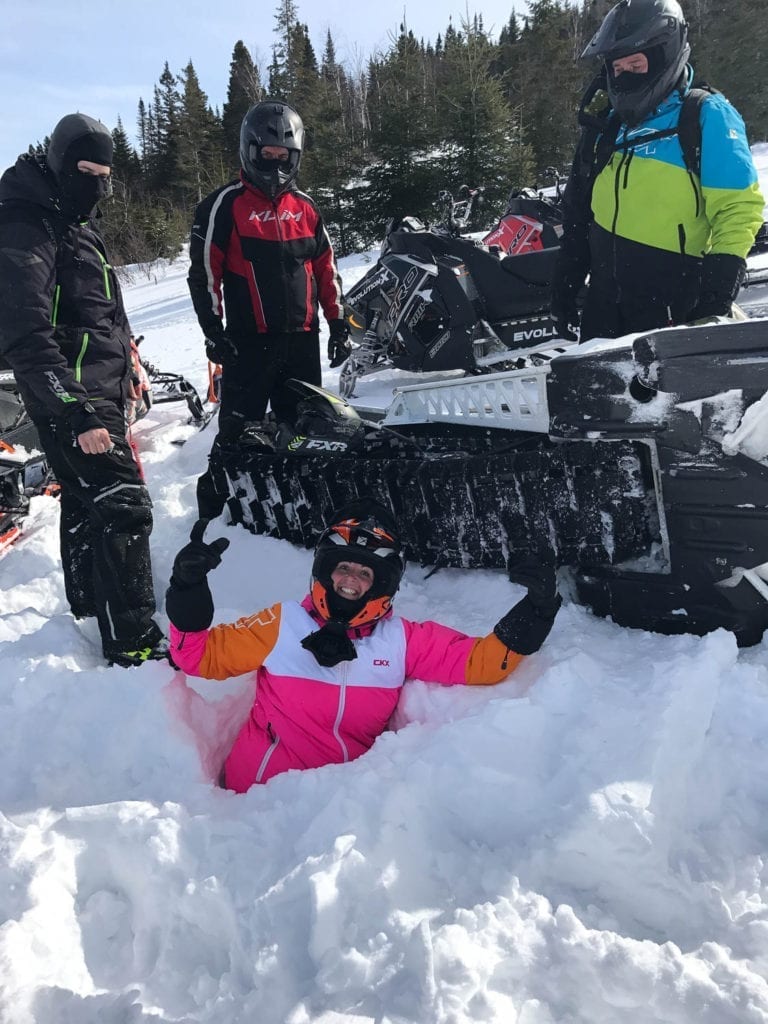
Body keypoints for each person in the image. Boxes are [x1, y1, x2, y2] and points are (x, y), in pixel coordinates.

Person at [165, 499, 562, 793]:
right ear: (325, 570)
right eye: (343, 567)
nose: (350, 580)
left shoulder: (403, 640)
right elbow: (198, 657)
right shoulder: (281, 624)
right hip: (254, 801)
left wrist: (537, 609)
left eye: (364, 572)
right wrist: (188, 587)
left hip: (338, 808)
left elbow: (483, 663)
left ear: (383, 582)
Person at [0, 113, 165, 667]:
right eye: (84, 170)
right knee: (124, 506)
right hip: (73, 399)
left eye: (104, 173)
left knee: (86, 500)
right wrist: (78, 412)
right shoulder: (28, 225)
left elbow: (96, 316)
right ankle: (134, 643)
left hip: (98, 390)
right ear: (58, 163)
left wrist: (129, 364)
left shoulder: (72, 221)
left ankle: (91, 612)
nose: (96, 183)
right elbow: (25, 331)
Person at [551, 0, 764, 343]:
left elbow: (737, 209)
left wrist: (717, 294)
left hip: (674, 307)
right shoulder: (605, 127)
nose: (626, 75)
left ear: (666, 53)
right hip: (604, 306)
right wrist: (566, 281)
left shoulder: (703, 115)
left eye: (636, 63)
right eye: (618, 68)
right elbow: (578, 212)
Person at [187, 99, 349, 519]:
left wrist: (338, 324)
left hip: (301, 342)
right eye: (268, 155)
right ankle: (215, 511)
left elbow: (326, 270)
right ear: (250, 150)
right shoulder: (224, 205)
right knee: (238, 432)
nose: (276, 164)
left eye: (285, 157)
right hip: (247, 343)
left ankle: (300, 507)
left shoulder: (307, 208)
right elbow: (205, 274)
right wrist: (213, 330)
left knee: (303, 431)